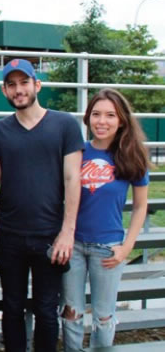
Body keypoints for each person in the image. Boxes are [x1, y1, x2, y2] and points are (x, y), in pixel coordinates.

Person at [0, 58, 84, 352]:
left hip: (50, 234)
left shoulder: (64, 124)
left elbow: (72, 179)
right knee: (12, 307)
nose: (19, 89)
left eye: (24, 82)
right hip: (10, 234)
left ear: (37, 85)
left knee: (46, 308)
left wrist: (67, 232)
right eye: (12, 84)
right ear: (4, 91)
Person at [61, 88, 150, 351]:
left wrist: (127, 247)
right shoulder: (77, 153)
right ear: (88, 118)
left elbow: (140, 207)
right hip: (73, 246)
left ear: (121, 120)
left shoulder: (132, 156)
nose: (102, 121)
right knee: (71, 311)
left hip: (108, 248)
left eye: (110, 115)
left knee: (103, 314)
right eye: (96, 114)